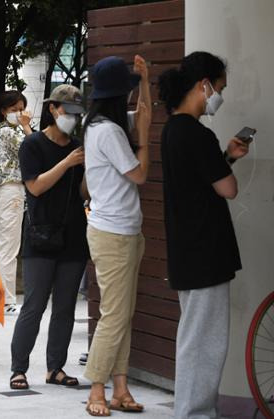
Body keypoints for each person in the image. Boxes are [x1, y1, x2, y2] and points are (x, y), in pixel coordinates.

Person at [158, 51, 249, 419]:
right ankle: (195, 413)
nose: (219, 96)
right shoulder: (197, 133)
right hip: (205, 253)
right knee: (205, 343)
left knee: (195, 338)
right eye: (219, 88)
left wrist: (226, 156)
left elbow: (201, 181)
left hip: (187, 251)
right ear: (203, 85)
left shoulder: (172, 130)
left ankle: (193, 410)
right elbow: (228, 189)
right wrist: (225, 161)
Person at [82, 55, 152, 416]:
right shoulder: (107, 131)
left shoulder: (103, 124)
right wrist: (145, 147)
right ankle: (96, 390)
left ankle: (120, 390)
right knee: (114, 315)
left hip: (121, 231)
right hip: (114, 234)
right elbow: (139, 175)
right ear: (117, 93)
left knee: (122, 314)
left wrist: (144, 81)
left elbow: (143, 118)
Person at [9, 84, 90, 390]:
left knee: (66, 307)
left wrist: (90, 171)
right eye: (67, 111)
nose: (72, 118)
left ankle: (55, 368)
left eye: (76, 114)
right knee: (34, 304)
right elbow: (35, 187)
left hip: (73, 235)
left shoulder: (79, 145)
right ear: (54, 109)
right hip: (40, 235)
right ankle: (19, 369)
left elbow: (83, 193)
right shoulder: (32, 145)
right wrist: (67, 162)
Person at [0, 90, 32, 316]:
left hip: (7, 194)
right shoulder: (9, 132)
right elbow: (35, 147)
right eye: (14, 110)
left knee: (3, 248)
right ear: (3, 111)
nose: (19, 113)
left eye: (21, 109)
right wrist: (27, 127)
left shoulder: (4, 131)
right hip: (12, 191)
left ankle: (1, 298)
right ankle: (6, 301)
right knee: (8, 249)